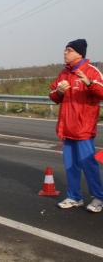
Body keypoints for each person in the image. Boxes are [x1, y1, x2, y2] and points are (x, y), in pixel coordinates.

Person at [49, 39, 103, 213]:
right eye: (65, 50)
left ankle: (98, 198)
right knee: (70, 165)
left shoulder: (91, 71)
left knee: (88, 164)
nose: (65, 53)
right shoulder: (64, 73)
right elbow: (52, 95)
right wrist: (59, 92)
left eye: (69, 50)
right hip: (67, 128)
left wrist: (88, 83)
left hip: (84, 128)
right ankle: (74, 196)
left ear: (79, 54)